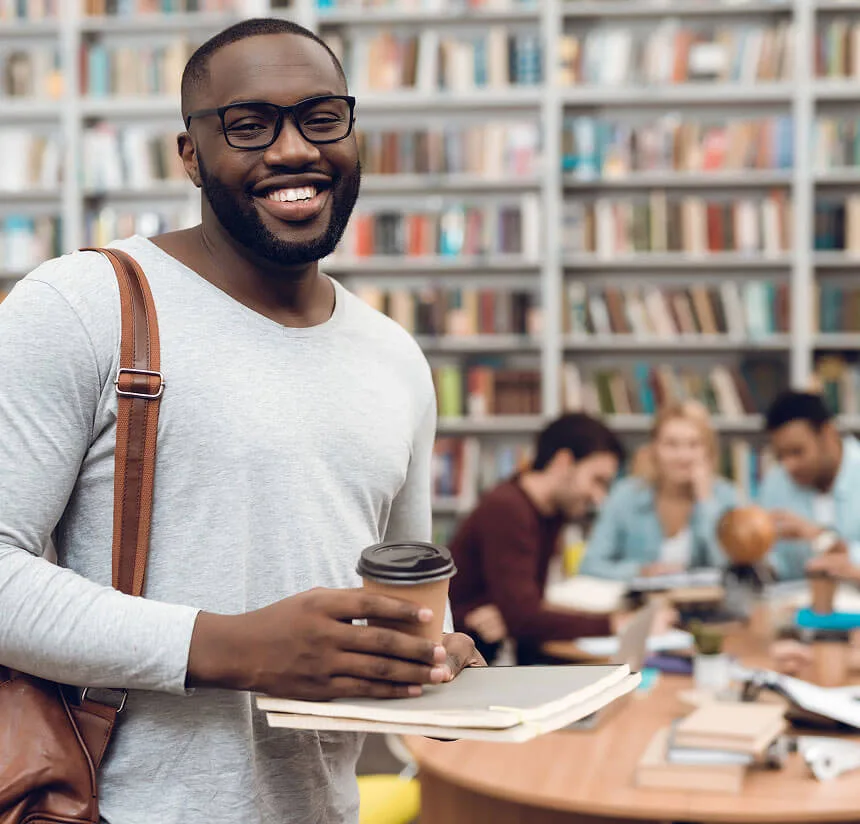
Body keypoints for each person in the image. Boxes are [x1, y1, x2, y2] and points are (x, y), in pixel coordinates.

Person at [0, 19, 480, 824]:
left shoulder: (396, 357)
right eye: (248, 126)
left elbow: (401, 591)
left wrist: (427, 656)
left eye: (321, 118)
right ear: (188, 155)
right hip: (110, 808)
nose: (294, 150)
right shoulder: (80, 306)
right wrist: (231, 647)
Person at [448, 412, 630, 665]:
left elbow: (525, 610)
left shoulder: (550, 514)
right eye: (597, 481)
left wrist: (513, 614)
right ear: (564, 462)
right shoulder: (508, 508)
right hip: (465, 664)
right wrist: (613, 623)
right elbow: (525, 619)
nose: (599, 498)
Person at [579, 401, 737, 581]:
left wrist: (705, 501)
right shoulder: (626, 495)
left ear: (708, 451)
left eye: (694, 445)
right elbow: (590, 566)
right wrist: (640, 571)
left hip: (705, 606)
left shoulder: (726, 495)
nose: (683, 456)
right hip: (639, 606)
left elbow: (729, 567)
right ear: (654, 449)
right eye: (671, 444)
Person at [759, 391, 860, 581]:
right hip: (794, 605)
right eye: (780, 456)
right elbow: (771, 563)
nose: (789, 465)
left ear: (828, 434)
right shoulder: (775, 482)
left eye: (797, 452)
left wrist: (820, 537)